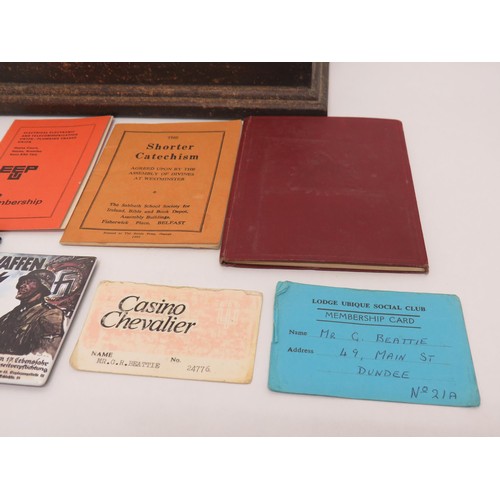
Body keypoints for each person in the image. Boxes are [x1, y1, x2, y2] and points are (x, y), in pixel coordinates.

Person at [0, 269, 65, 357]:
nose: (22, 285)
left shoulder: (50, 313)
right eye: (22, 282)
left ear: (42, 288)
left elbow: (47, 353)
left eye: (30, 282)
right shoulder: (9, 315)